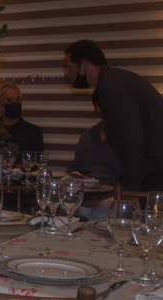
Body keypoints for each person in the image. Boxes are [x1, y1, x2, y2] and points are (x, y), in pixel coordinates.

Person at [64, 39, 163, 191]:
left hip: (153, 173)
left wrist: (128, 189)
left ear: (84, 64)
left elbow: (131, 141)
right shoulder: (114, 80)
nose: (66, 73)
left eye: (68, 67)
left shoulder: (112, 86)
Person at [66, 89, 121, 186]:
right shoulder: (87, 136)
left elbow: (131, 176)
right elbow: (74, 168)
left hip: (112, 190)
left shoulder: (124, 139)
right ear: (98, 109)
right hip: (85, 189)